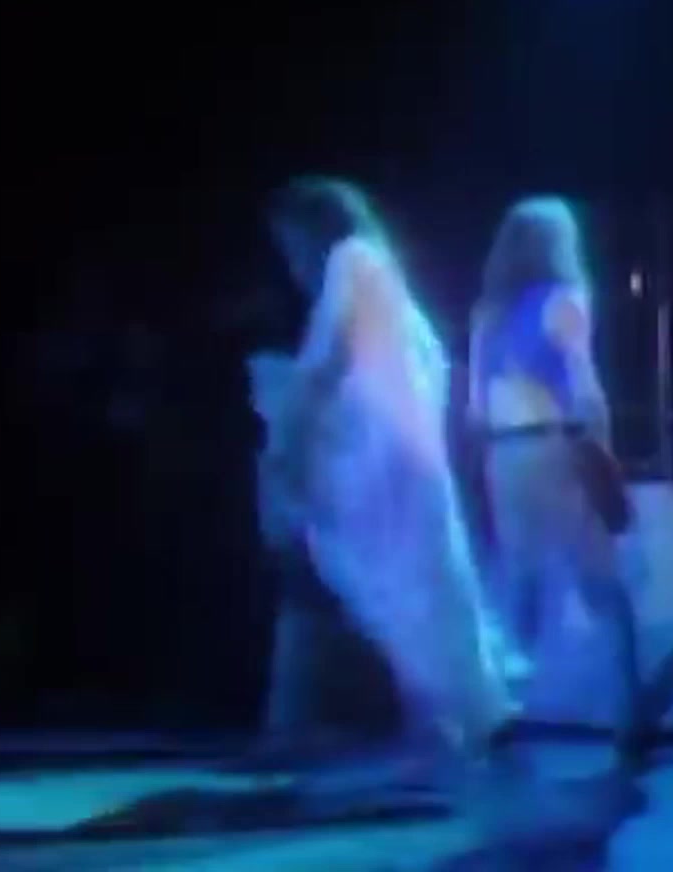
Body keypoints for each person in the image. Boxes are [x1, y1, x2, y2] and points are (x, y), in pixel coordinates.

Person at [258, 177, 515, 768]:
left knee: (378, 584)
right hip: (402, 468)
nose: (290, 260)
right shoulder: (385, 278)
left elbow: (326, 366)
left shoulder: (352, 263)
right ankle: (445, 726)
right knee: (408, 589)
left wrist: (290, 443)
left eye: (290, 241)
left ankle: (301, 727)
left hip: (379, 474)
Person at [469, 196, 648, 764]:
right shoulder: (565, 299)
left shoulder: (487, 314)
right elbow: (583, 384)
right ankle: (629, 716)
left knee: (518, 584)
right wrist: (603, 451)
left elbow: (474, 409)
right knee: (601, 582)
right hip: (557, 444)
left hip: (505, 455)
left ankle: (498, 711)